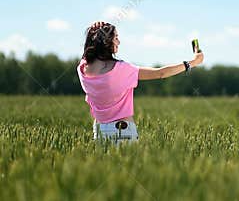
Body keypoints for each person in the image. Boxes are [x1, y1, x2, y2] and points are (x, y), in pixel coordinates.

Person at [76, 21, 204, 145]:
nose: (119, 42)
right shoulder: (121, 69)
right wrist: (193, 62)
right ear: (106, 42)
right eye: (116, 38)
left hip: (99, 133)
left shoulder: (82, 69)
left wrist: (96, 30)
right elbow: (161, 73)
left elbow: (88, 54)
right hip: (123, 132)